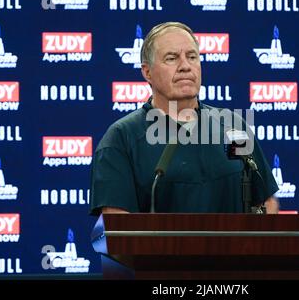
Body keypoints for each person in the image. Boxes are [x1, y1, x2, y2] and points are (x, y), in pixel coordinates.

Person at [89, 22, 279, 215]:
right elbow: (118, 228)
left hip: (235, 247)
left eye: (192, 57)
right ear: (147, 72)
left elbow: (266, 202)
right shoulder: (122, 138)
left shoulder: (232, 126)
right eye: (171, 58)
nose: (185, 66)